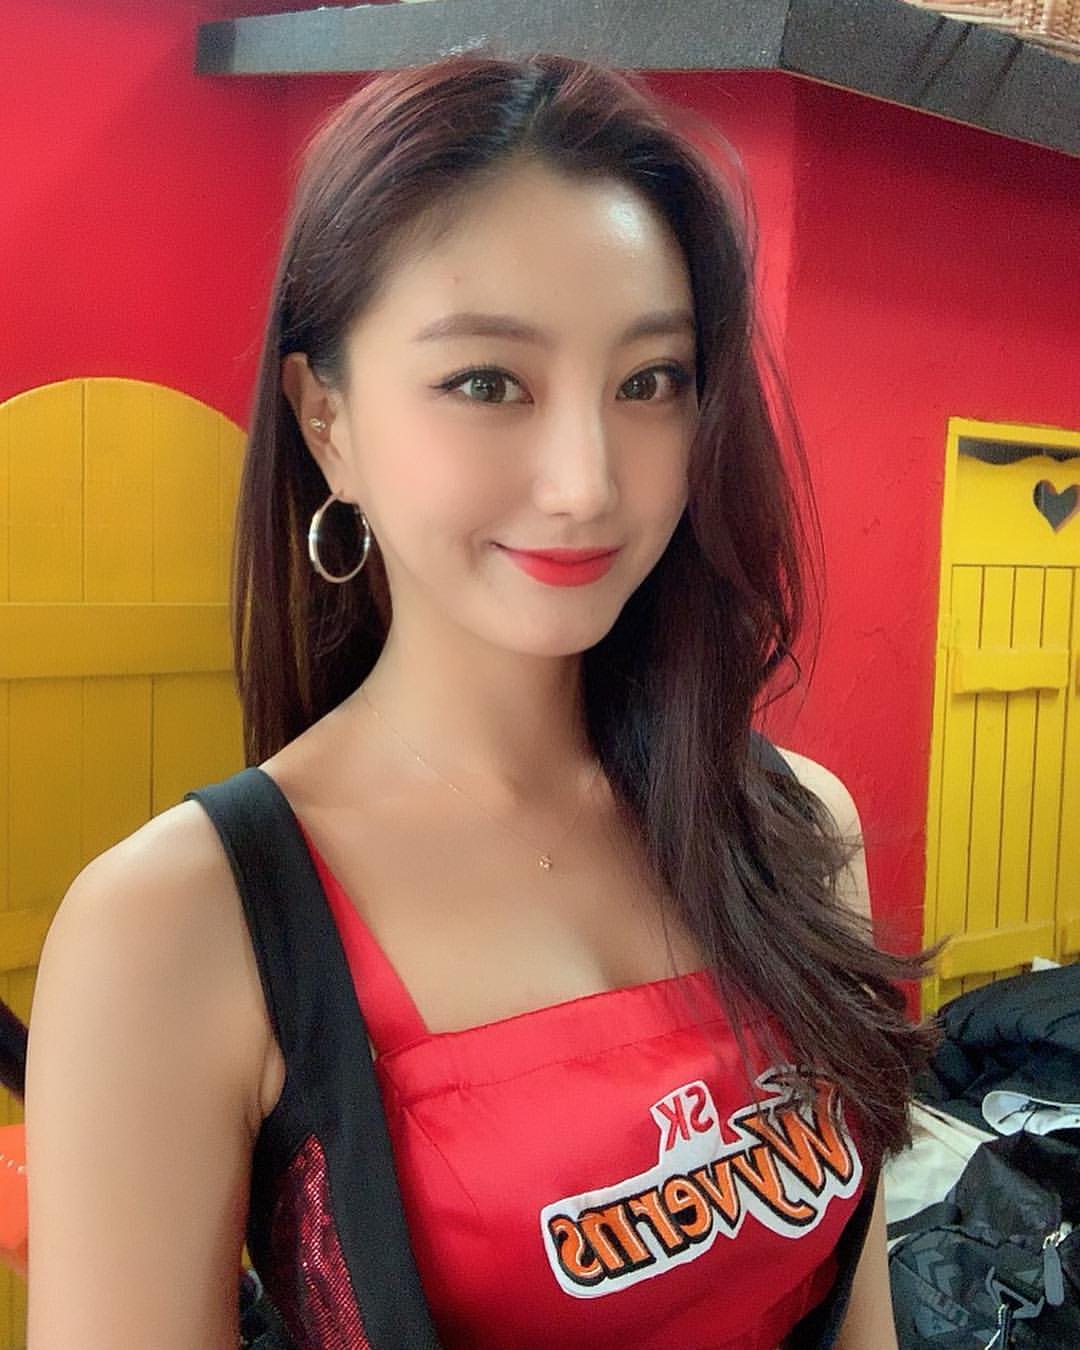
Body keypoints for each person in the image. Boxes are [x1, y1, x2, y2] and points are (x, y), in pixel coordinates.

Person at [24, 50, 934, 1349]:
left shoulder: (795, 830)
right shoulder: (177, 929)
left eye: (650, 381)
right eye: (488, 382)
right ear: (326, 419)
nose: (586, 481)